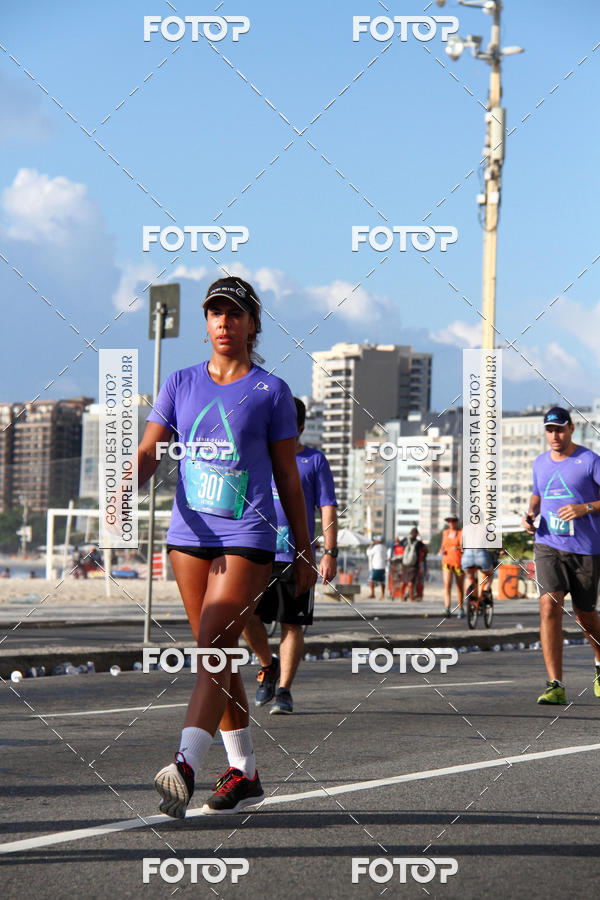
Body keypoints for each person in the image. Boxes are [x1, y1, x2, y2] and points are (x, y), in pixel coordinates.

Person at [137, 276, 316, 818]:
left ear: (253, 324)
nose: (223, 322)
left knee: (214, 643)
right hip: (189, 537)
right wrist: (130, 477)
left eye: (234, 314)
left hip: (249, 535)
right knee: (218, 655)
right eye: (215, 313)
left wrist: (304, 549)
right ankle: (245, 771)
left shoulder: (272, 391)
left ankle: (186, 763)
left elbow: (287, 474)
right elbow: (151, 449)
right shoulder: (180, 382)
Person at [242, 397, 338, 715]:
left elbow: (327, 507)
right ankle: (267, 665)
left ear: (300, 427)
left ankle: (283, 690)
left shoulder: (314, 460)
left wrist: (330, 552)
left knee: (291, 623)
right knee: (245, 616)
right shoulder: (258, 457)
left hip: (298, 556)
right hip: (256, 550)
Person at [522, 406, 600, 705]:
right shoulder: (540, 463)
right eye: (550, 430)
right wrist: (530, 513)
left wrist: (586, 508)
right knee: (549, 603)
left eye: (560, 429)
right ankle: (555, 683)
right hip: (548, 543)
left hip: (586, 547)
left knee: (585, 616)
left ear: (572, 428)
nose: (555, 435)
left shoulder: (589, 461)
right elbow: (537, 494)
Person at [441, 516, 464, 618]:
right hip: (447, 561)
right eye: (449, 521)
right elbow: (443, 546)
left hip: (459, 562)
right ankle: (447, 608)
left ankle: (461, 608)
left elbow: (464, 547)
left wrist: (457, 547)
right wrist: (442, 550)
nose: (451, 523)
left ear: (457, 522)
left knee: (459, 587)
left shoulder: (461, 532)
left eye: (453, 521)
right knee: (447, 585)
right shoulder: (445, 532)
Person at [401, 527, 428, 602]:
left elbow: (398, 545)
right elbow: (426, 550)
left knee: (403, 580)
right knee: (411, 582)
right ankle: (411, 598)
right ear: (416, 534)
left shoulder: (405, 540)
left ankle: (400, 597)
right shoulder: (418, 542)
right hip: (414, 564)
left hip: (405, 563)